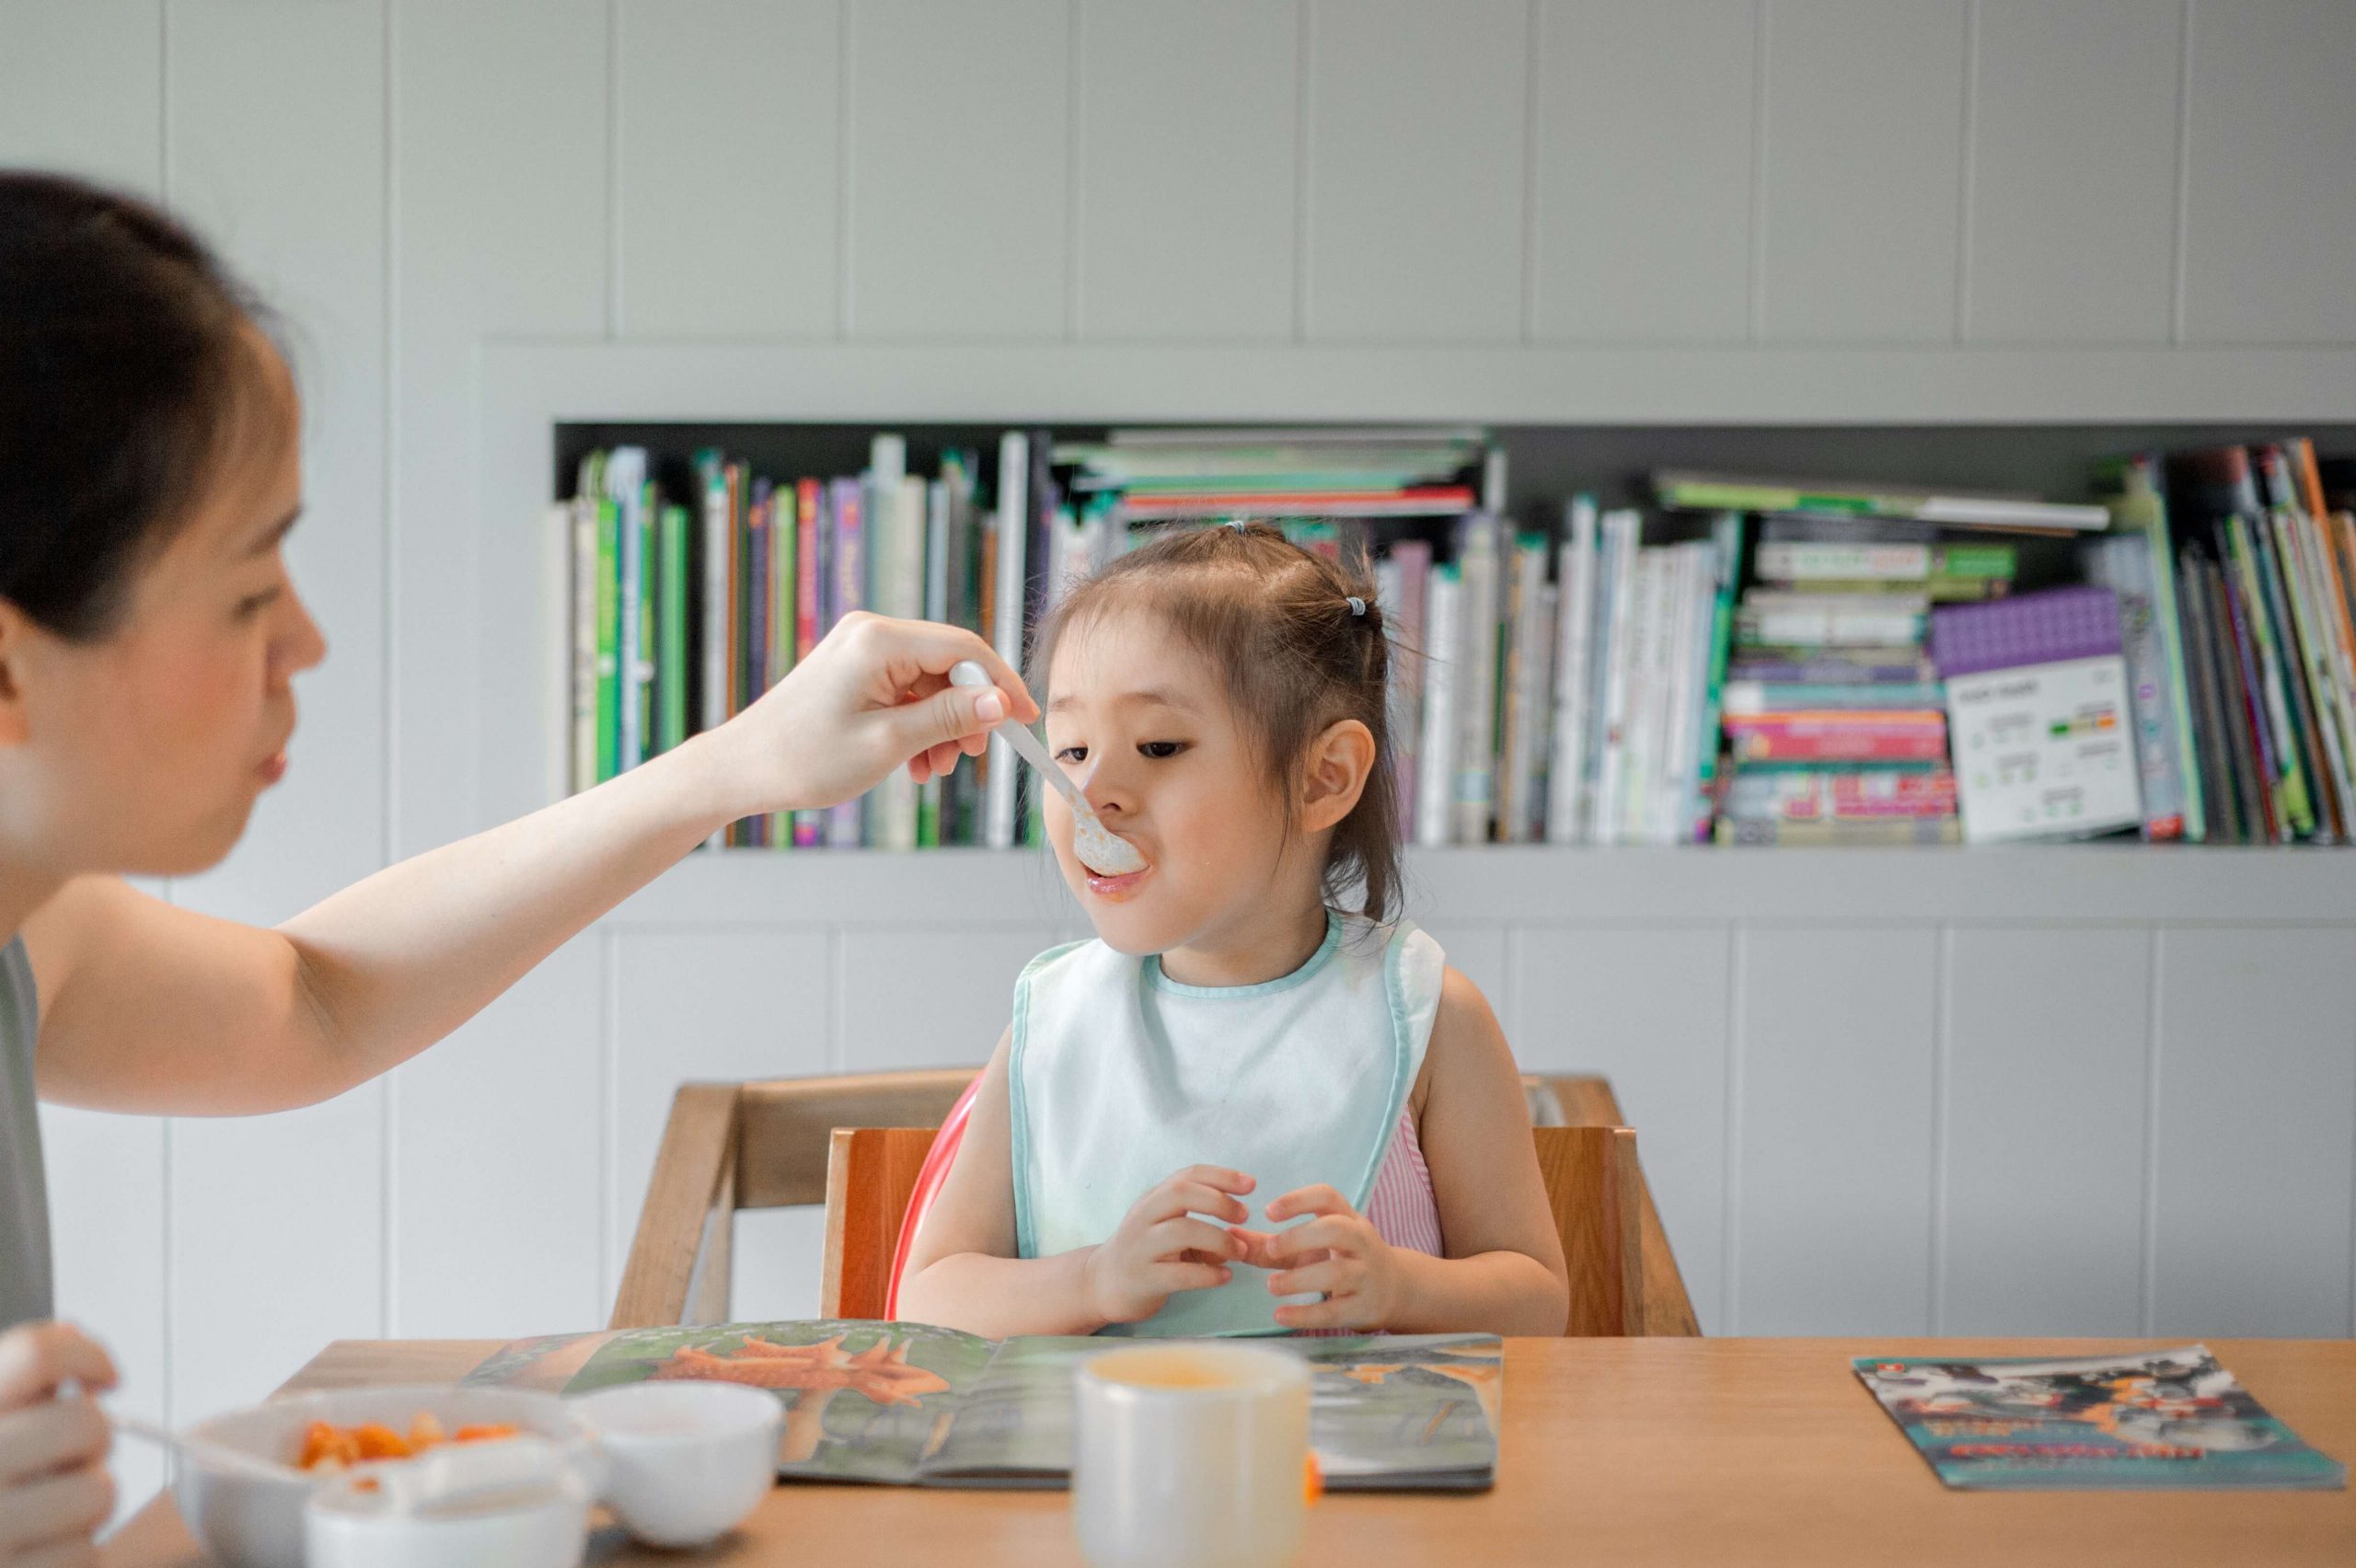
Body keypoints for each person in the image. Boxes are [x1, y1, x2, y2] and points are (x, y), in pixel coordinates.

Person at [0, 170, 1032, 1565]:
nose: (303, 641)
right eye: (250, 591)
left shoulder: (32, 933)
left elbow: (311, 1001)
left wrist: (740, 764)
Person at [898, 523, 1568, 1339]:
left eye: (1158, 745)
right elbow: (930, 1299)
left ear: (1324, 778)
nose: (1092, 792)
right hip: (1093, 1462)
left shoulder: (1430, 1018)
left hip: (1351, 1464)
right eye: (1069, 749)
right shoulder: (1052, 1021)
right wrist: (1095, 1280)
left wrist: (1401, 1289)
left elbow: (1538, 1302)